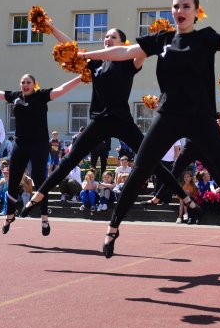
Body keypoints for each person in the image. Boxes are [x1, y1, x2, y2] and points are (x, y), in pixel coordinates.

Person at [78, 0, 220, 258]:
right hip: (168, 115)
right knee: (140, 168)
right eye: (176, 6)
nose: (180, 11)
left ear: (196, 12)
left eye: (186, 6)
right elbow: (125, 51)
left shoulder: (206, 37)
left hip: (201, 117)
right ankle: (113, 228)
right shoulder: (161, 39)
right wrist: (87, 55)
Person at [19, 21, 189, 233]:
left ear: (122, 43)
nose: (107, 39)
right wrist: (52, 28)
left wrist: (157, 35)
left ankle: (184, 196)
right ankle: (38, 196)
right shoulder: (95, 62)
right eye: (106, 37)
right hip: (99, 120)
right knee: (69, 159)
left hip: (122, 121)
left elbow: (144, 51)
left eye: (112, 37)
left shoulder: (128, 61)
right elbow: (71, 47)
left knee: (151, 160)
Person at [0, 68, 83, 234]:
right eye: (23, 82)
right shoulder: (16, 97)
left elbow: (61, 89)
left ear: (34, 84)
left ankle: (44, 218)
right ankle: (9, 215)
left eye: (28, 82)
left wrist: (81, 77)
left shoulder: (41, 95)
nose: (25, 85)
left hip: (39, 145)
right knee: (13, 178)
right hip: (20, 144)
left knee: (40, 180)